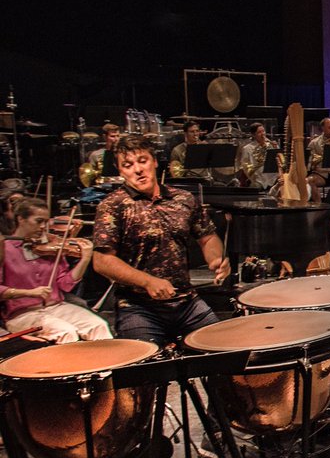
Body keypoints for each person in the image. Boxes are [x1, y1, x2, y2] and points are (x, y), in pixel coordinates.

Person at [92, 134, 230, 346]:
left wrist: (215, 260)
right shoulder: (112, 205)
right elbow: (102, 261)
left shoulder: (183, 199)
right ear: (120, 171)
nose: (137, 170)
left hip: (186, 301)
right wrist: (147, 281)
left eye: (143, 161)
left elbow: (208, 237)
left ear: (154, 162)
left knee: (223, 351)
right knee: (148, 368)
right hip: (138, 306)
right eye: (128, 165)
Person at [1, 198, 110, 343]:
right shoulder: (5, 249)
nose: (43, 227)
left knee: (99, 326)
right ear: (21, 219)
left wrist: (85, 259)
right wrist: (29, 293)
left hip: (56, 306)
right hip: (21, 314)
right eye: (38, 221)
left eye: (46, 222)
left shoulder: (52, 247)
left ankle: (108, 365)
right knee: (65, 332)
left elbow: (65, 284)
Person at [236, 122, 277, 189]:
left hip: (272, 179)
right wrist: (253, 177)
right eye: (259, 132)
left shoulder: (271, 145)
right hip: (258, 179)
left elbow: (278, 161)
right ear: (253, 135)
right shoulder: (247, 148)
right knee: (255, 187)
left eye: (263, 131)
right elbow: (245, 165)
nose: (263, 134)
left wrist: (275, 148)